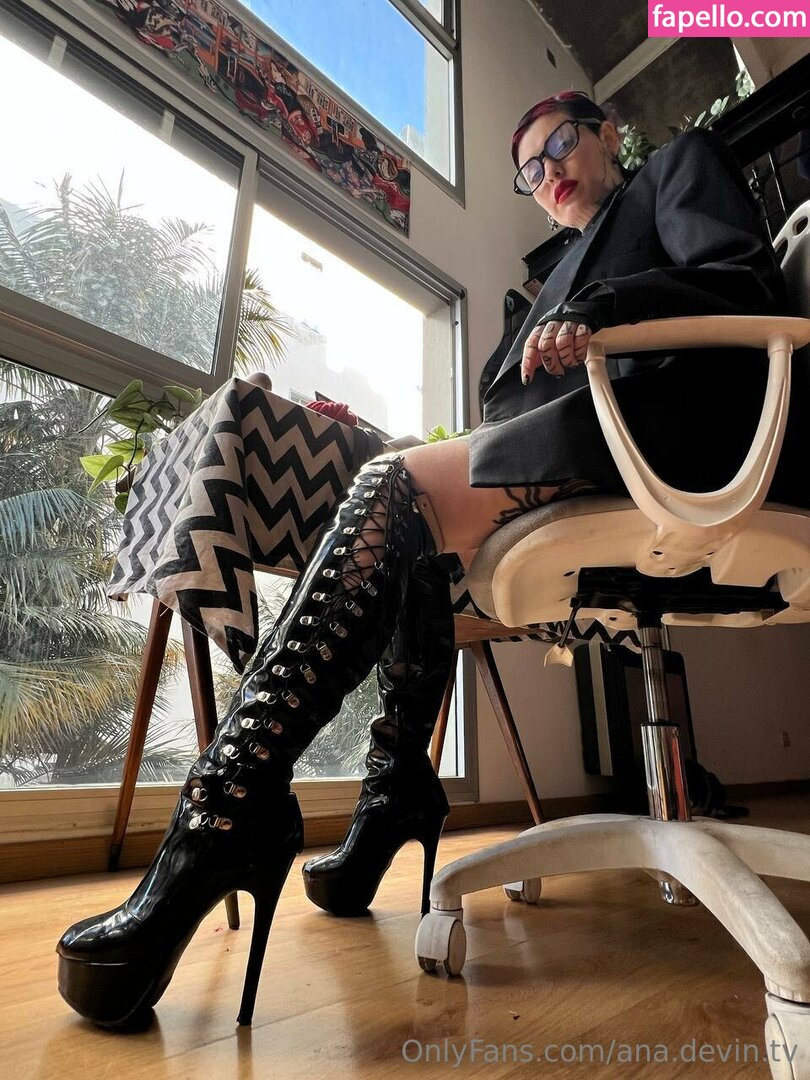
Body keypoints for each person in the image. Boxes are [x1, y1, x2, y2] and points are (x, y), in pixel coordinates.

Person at [56, 90, 805, 1029]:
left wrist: (605, 306)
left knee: (386, 489)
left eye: (559, 144)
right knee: (403, 526)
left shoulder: (673, 169)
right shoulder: (554, 270)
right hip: (587, 452)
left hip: (677, 439)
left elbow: (744, 281)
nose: (548, 172)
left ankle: (225, 811)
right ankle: (393, 790)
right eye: (529, 169)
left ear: (607, 133)